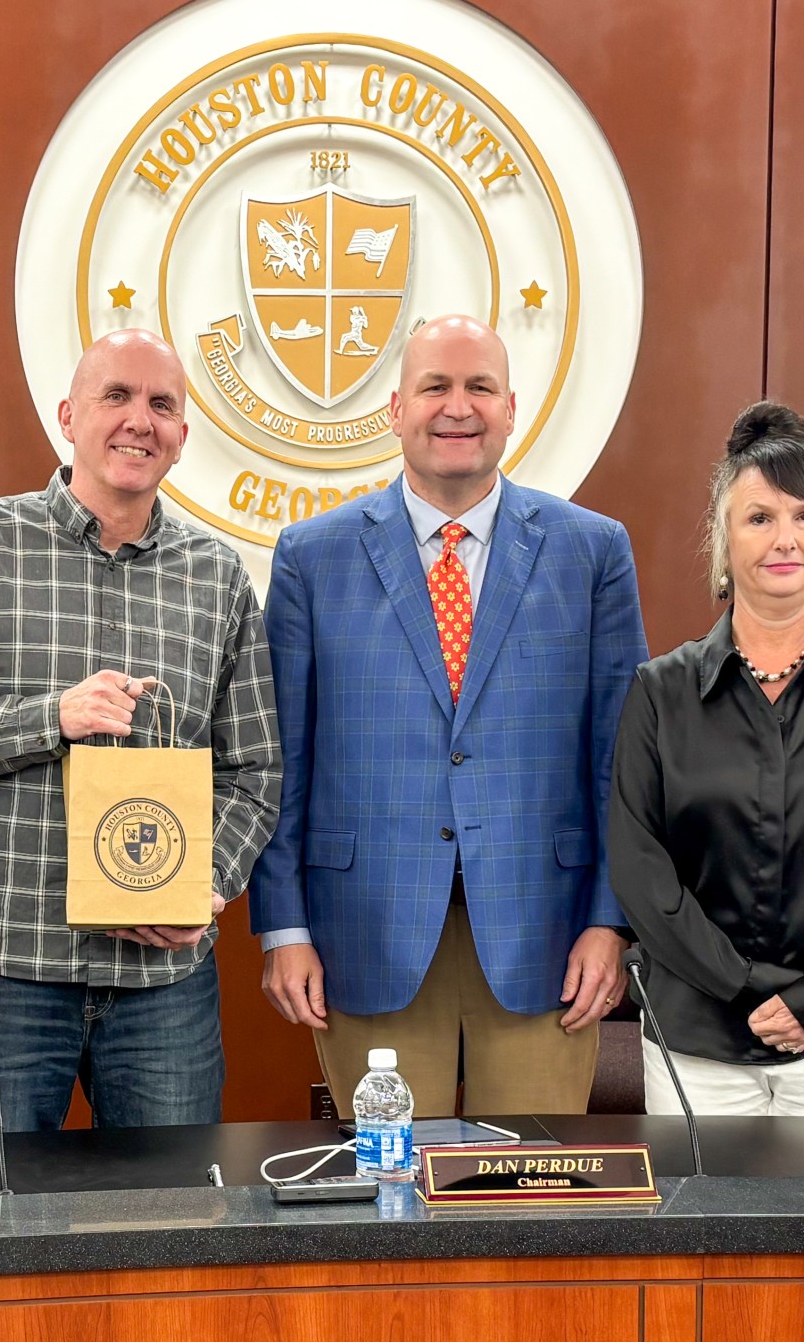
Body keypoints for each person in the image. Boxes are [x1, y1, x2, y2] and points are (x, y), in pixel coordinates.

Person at [0, 329, 279, 1131]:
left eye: (162, 404)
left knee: (174, 1223)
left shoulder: (218, 575)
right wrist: (48, 718)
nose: (140, 420)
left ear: (183, 437)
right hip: (1, 964)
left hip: (162, 983)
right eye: (116, 396)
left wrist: (206, 885)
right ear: (67, 414)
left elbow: (254, 771)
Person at [251, 316, 647, 1117]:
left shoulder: (593, 551)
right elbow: (281, 759)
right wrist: (282, 926)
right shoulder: (311, 556)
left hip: (546, 935)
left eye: (479, 388)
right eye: (435, 386)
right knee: (385, 1201)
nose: (456, 406)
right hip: (365, 931)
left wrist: (611, 922)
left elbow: (623, 760)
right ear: (396, 409)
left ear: (511, 410)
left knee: (532, 1199)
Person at [607, 404, 804, 1115]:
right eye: (759, 518)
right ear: (723, 540)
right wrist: (755, 990)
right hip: (697, 1040)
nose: (784, 538)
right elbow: (642, 872)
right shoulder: (661, 691)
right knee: (702, 1230)